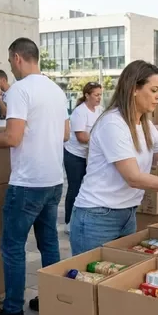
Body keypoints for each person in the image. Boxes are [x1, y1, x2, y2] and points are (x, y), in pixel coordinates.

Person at [0, 38, 69, 315]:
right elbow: (66, 134)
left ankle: (12, 311)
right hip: (53, 179)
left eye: (11, 62)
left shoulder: (20, 90)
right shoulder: (56, 91)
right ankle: (49, 298)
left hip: (27, 182)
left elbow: (12, 138)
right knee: (49, 243)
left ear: (18, 58)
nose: (12, 66)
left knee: (12, 246)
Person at [69, 60, 158, 254]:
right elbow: (133, 177)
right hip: (98, 216)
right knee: (94, 281)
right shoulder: (113, 123)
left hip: (127, 213)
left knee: (118, 279)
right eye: (153, 90)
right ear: (134, 88)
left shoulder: (144, 124)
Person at [64, 82, 104, 226]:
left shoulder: (100, 110)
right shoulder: (79, 112)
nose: (99, 98)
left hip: (90, 155)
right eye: (96, 95)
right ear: (87, 95)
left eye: (100, 95)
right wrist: (100, 140)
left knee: (88, 188)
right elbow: (81, 137)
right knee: (74, 188)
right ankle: (69, 222)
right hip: (74, 155)